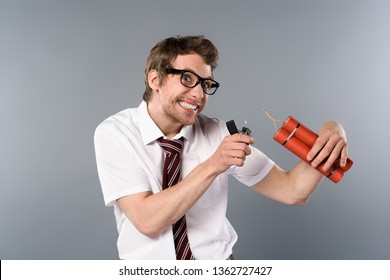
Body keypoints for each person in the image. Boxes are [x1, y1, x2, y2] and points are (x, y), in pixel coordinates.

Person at [94, 35, 349, 260]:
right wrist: (214, 165)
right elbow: (147, 221)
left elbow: (293, 191)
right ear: (155, 79)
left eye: (205, 84)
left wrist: (333, 131)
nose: (198, 94)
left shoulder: (218, 133)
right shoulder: (115, 133)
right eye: (187, 79)